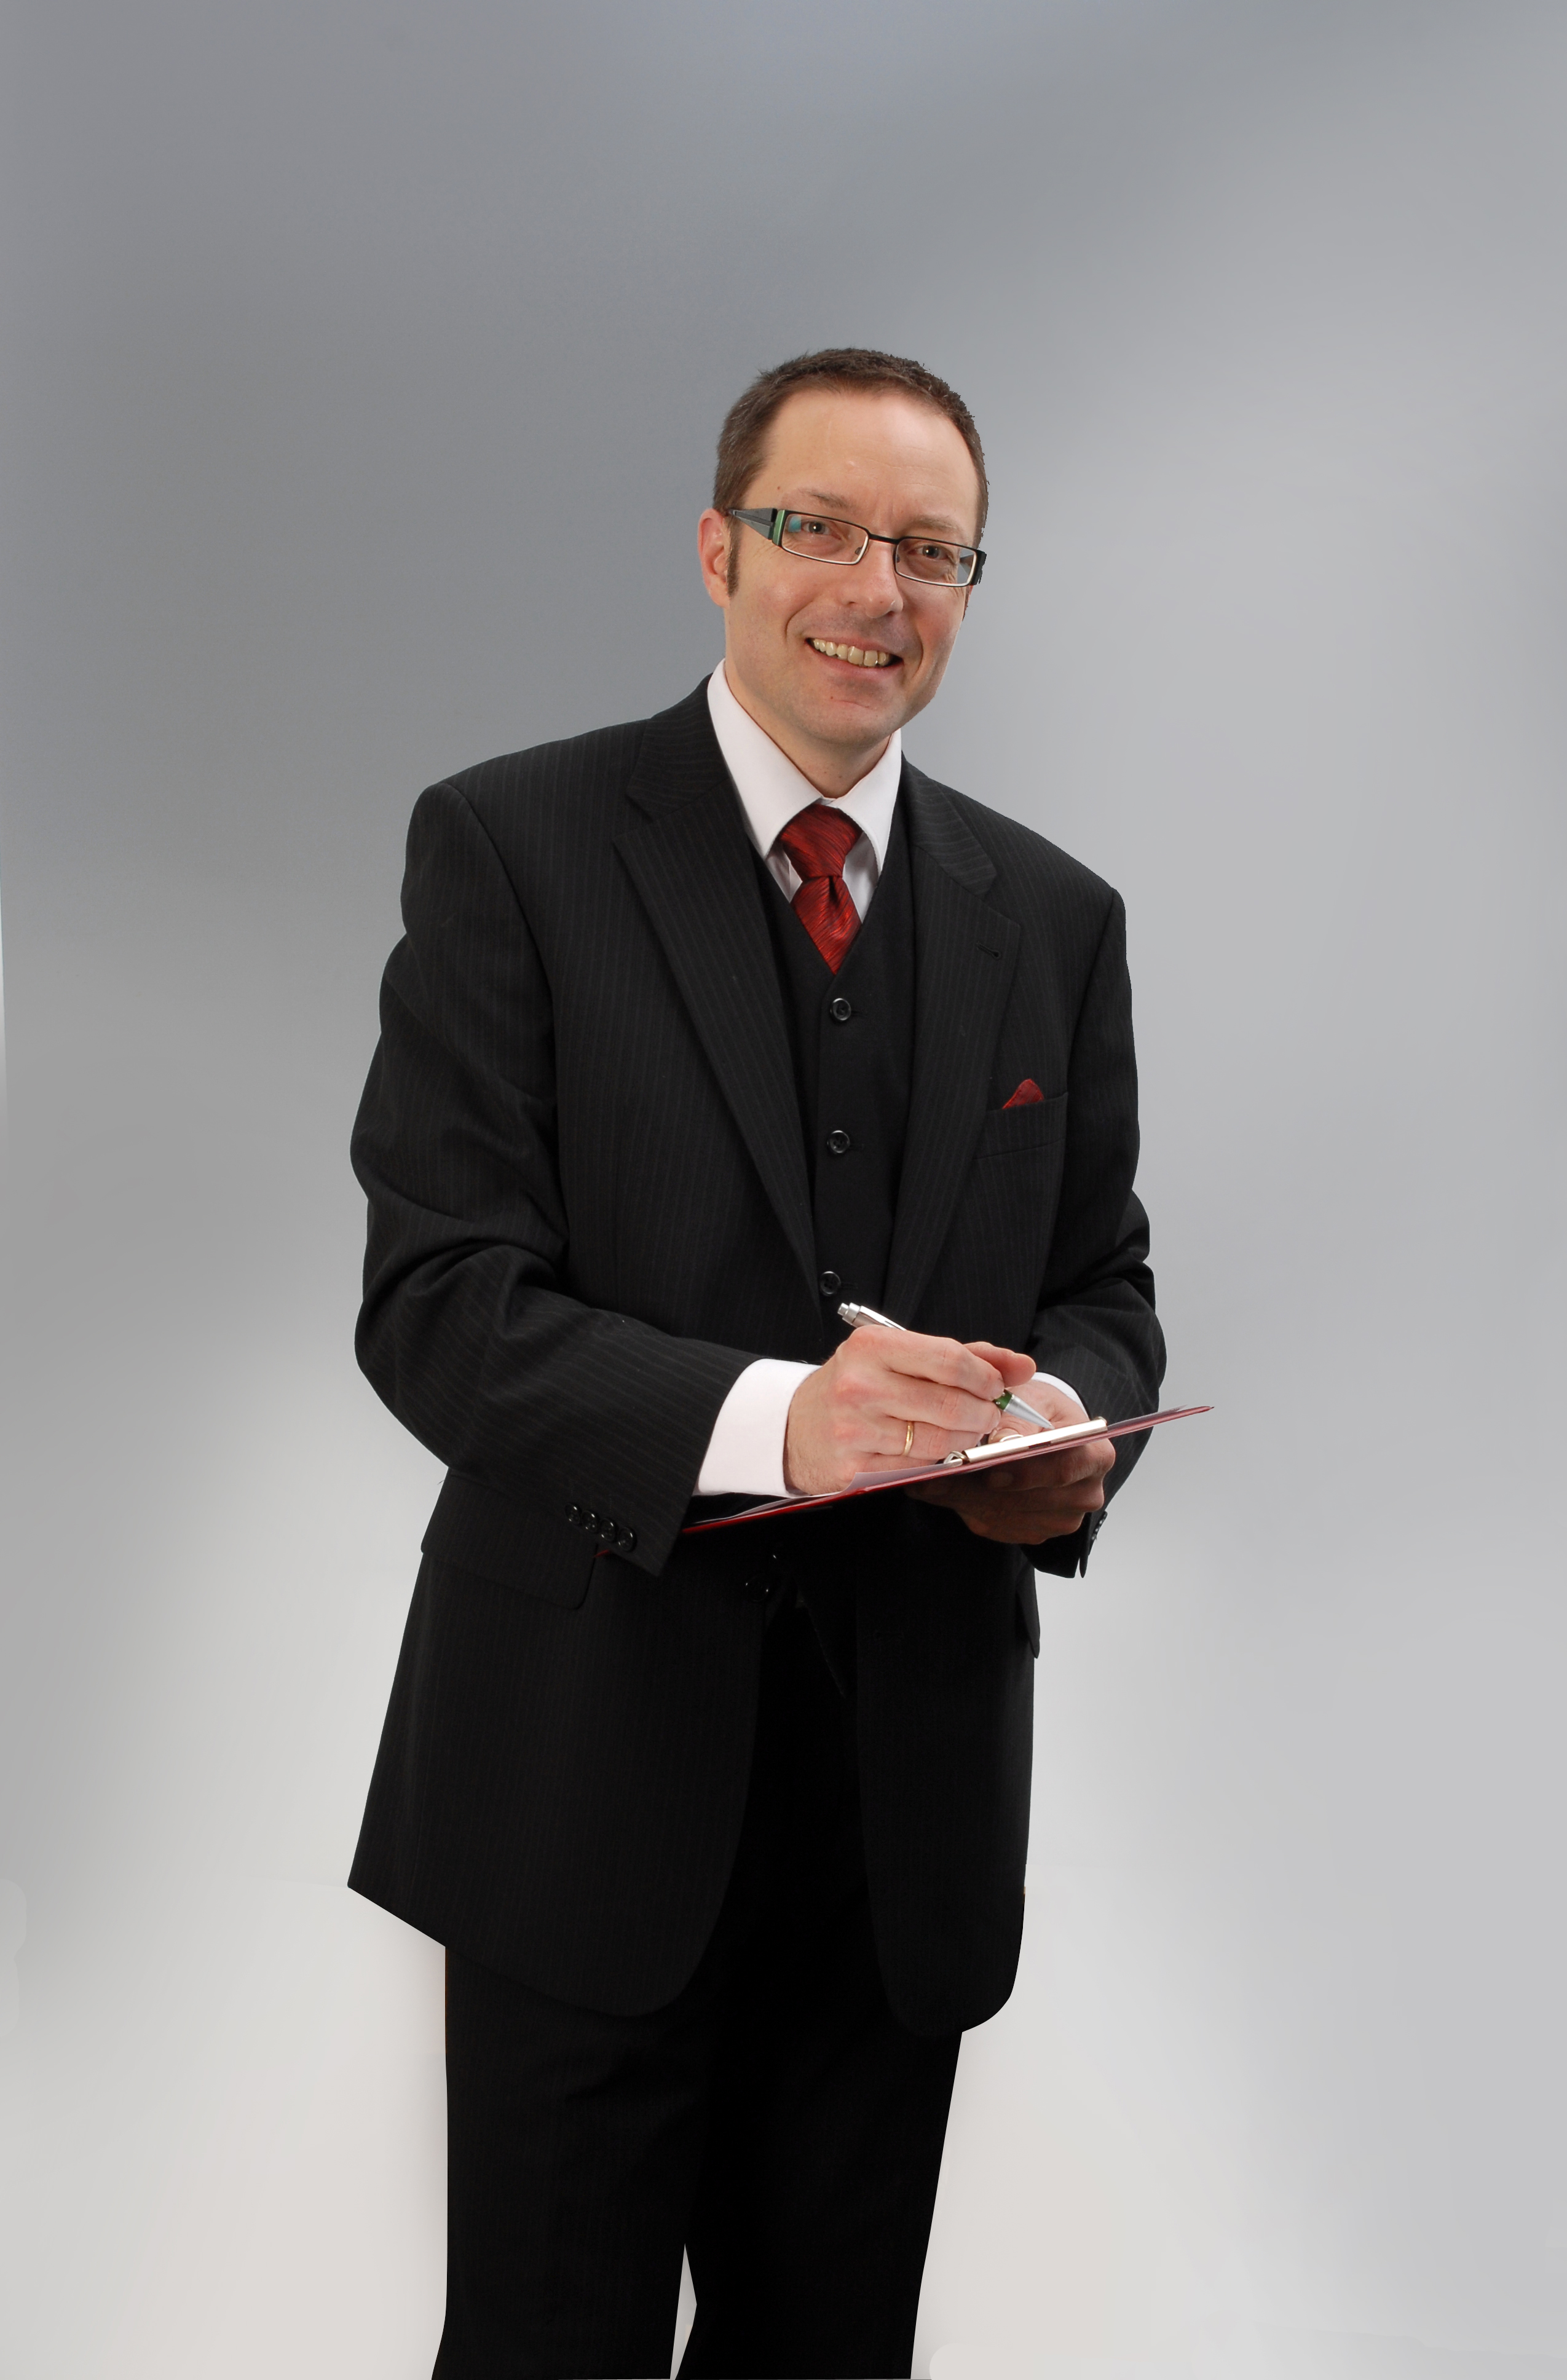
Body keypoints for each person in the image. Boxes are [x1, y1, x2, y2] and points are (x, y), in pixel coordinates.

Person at [349, 346, 1166, 2378]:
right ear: (720, 549)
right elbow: (439, 1298)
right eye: (821, 529)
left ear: (968, 586)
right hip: (576, 1790)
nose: (876, 590)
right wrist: (781, 1422)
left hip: (906, 1821)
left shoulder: (1058, 916)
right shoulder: (513, 845)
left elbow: (1105, 1280)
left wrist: (1068, 1426)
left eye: (931, 550)